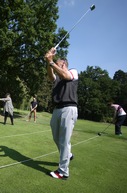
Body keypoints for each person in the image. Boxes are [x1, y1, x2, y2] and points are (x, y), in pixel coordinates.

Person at [44, 47, 78, 180]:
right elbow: (50, 75)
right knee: (56, 138)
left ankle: (63, 171)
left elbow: (65, 76)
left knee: (64, 140)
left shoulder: (72, 72)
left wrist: (51, 61)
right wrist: (49, 62)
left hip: (69, 108)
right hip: (57, 109)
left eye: (57, 65)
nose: (55, 68)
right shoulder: (57, 78)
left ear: (63, 64)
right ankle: (68, 155)